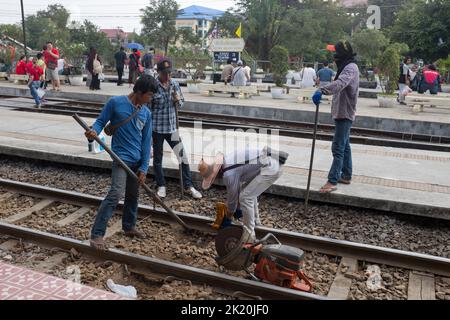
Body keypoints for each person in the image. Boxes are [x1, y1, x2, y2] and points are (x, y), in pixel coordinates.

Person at [85, 75, 158, 250]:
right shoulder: (115, 103)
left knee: (133, 195)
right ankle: (97, 234)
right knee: (116, 193)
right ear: (139, 92)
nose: (151, 99)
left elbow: (147, 142)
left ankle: (129, 226)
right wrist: (93, 131)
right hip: (120, 158)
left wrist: (144, 167)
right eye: (149, 95)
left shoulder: (146, 113)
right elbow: (101, 121)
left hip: (137, 160)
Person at [198, 146, 285, 241]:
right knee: (247, 192)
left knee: (245, 197)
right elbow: (237, 191)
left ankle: (249, 236)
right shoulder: (228, 161)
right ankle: (255, 221)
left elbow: (232, 200)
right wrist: (238, 210)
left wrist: (227, 218)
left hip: (271, 167)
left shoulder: (228, 174)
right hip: (271, 163)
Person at [312, 40, 359, 193]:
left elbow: (340, 84)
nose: (334, 56)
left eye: (336, 53)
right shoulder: (345, 66)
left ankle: (332, 181)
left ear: (342, 54)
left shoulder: (350, 68)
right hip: (341, 111)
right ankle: (346, 174)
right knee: (344, 145)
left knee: (337, 147)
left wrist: (322, 90)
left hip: (345, 112)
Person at [151, 59, 202, 199]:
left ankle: (188, 185)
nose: (168, 76)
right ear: (158, 72)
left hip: (172, 128)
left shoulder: (174, 85)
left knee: (183, 157)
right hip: (157, 129)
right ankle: (161, 184)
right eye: (164, 73)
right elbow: (147, 108)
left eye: (169, 73)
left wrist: (177, 100)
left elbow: (181, 104)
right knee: (157, 159)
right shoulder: (153, 86)